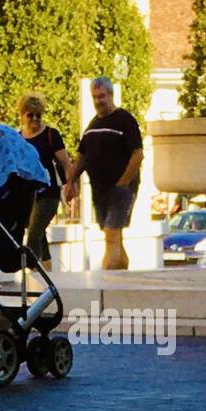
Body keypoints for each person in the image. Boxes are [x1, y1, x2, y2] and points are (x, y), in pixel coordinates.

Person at [63, 77, 143, 270]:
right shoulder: (92, 126)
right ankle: (122, 276)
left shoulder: (125, 120)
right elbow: (81, 157)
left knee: (111, 234)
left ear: (111, 95)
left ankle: (108, 282)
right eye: (95, 97)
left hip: (122, 188)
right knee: (114, 237)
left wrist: (123, 184)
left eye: (102, 96)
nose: (99, 101)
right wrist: (70, 181)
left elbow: (138, 155)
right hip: (100, 189)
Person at [19, 93, 69, 268]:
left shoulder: (50, 135)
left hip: (48, 194)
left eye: (38, 115)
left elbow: (65, 162)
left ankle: (33, 275)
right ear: (23, 115)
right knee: (40, 235)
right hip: (26, 196)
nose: (34, 119)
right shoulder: (18, 138)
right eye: (30, 115)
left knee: (33, 234)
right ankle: (50, 274)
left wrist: (70, 185)